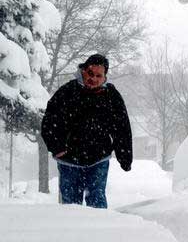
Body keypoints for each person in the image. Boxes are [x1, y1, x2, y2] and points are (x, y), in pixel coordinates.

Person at [41, 54, 132, 209]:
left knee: (97, 201)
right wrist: (57, 147)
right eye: (90, 73)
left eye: (98, 76)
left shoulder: (111, 96)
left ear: (104, 77)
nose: (94, 79)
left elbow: (122, 127)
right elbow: (49, 122)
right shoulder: (67, 92)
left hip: (99, 159)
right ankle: (70, 232)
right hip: (69, 160)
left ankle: (98, 231)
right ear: (83, 70)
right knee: (70, 206)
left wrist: (124, 156)